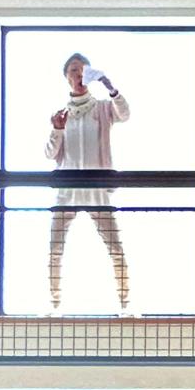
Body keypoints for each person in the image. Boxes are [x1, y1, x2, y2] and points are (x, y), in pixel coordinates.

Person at [44, 52, 131, 311]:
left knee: (115, 245)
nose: (78, 74)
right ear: (66, 77)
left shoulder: (102, 108)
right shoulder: (61, 115)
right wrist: (57, 129)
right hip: (66, 190)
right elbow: (50, 153)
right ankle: (54, 304)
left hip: (96, 188)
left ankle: (124, 303)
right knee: (55, 247)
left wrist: (110, 86)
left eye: (82, 70)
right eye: (73, 70)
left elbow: (124, 114)